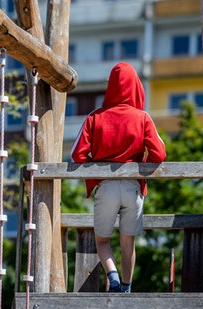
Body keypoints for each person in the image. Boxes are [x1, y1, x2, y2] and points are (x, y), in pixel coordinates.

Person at [70, 61, 166, 293]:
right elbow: (159, 153)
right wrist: (138, 162)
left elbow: (77, 155)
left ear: (111, 87)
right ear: (136, 86)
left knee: (102, 241)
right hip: (132, 188)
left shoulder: (95, 117)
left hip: (106, 188)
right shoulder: (142, 117)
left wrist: (99, 158)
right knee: (128, 243)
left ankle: (112, 277)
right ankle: (126, 288)